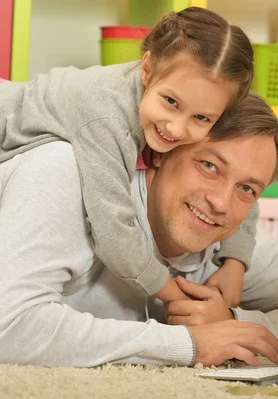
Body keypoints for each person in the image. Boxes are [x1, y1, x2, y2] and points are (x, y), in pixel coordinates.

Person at [0, 92, 278, 368]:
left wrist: (236, 324)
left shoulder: (229, 247)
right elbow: (9, 326)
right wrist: (186, 345)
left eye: (247, 189)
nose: (220, 202)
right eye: (209, 166)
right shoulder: (64, 171)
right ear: (162, 150)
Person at [0, 7, 258, 308]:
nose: (177, 127)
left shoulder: (204, 97)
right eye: (171, 102)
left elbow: (245, 167)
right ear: (146, 70)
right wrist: (175, 296)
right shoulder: (103, 116)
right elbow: (113, 232)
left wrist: (235, 262)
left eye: (201, 117)